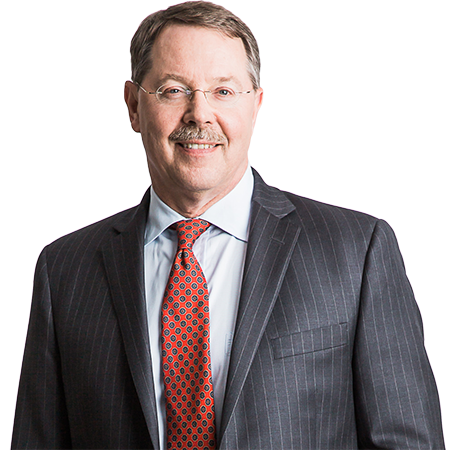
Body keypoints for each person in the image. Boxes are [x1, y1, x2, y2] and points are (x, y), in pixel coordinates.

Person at [10, 2, 445, 449]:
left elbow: (408, 442)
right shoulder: (66, 270)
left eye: (223, 91)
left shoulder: (355, 251)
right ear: (134, 106)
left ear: (255, 106)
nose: (199, 114)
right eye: (173, 90)